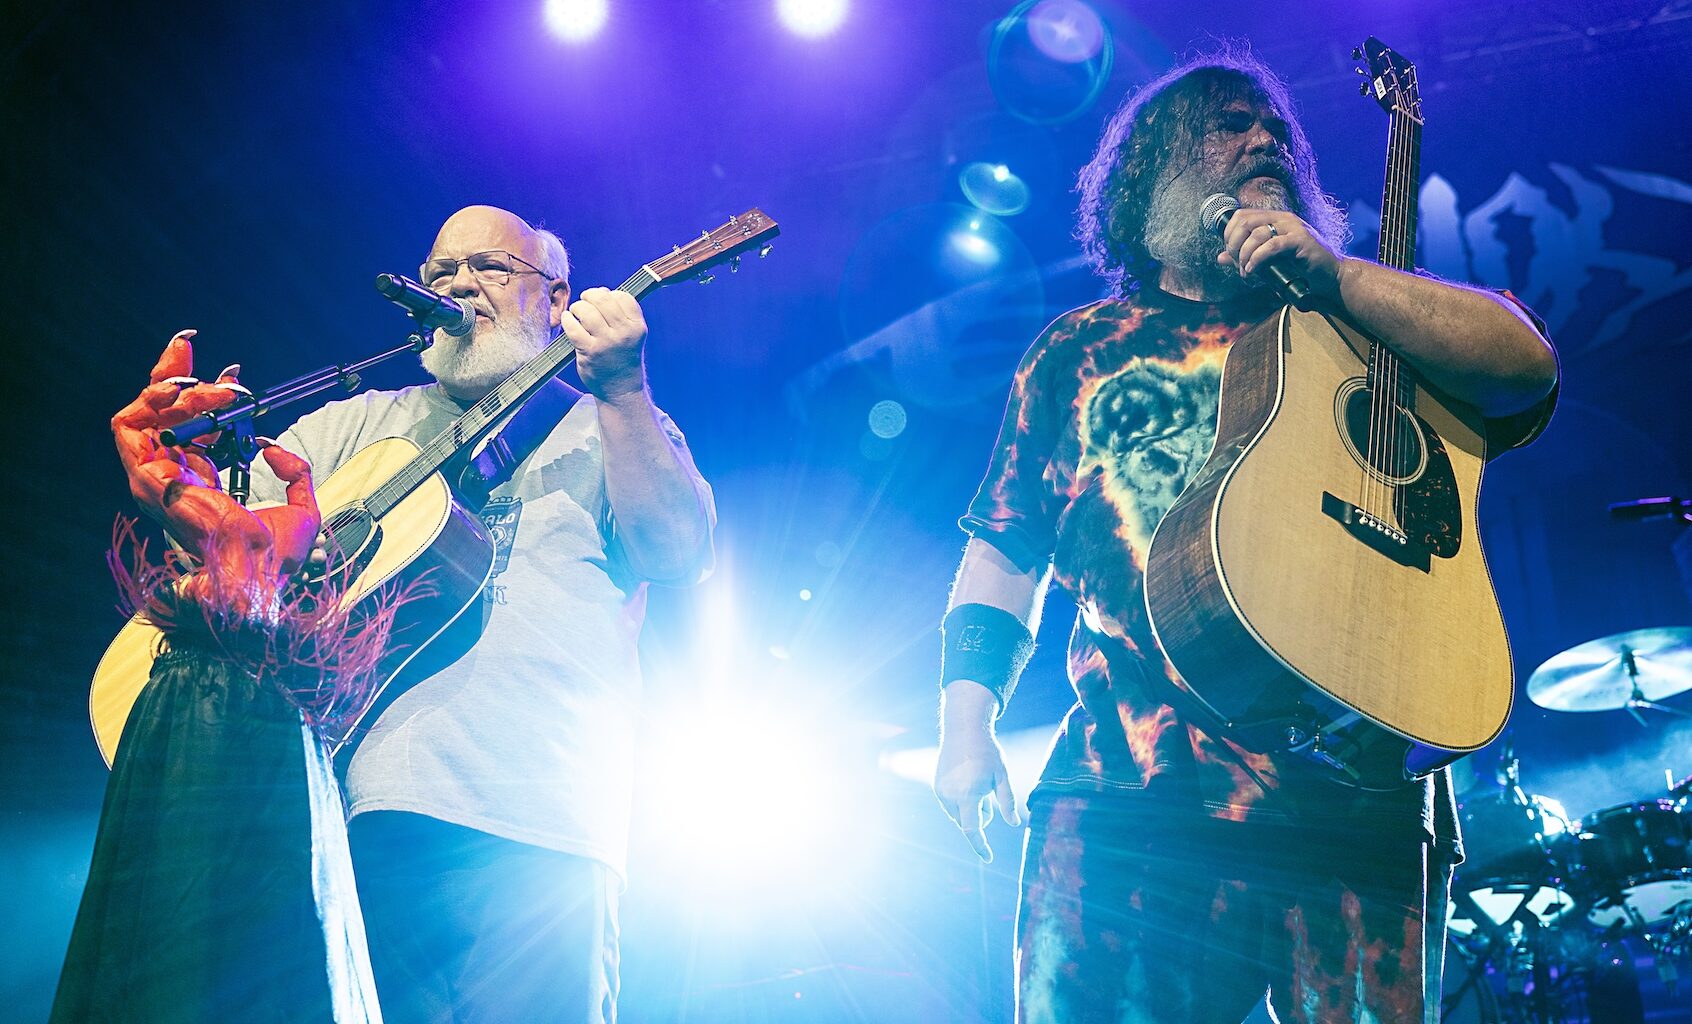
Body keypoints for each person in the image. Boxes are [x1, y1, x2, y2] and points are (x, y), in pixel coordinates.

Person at [931, 50, 1558, 1024]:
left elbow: (1524, 368)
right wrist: (965, 727)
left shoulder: (1364, 327)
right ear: (1150, 179)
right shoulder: (1076, 355)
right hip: (1132, 786)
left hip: (1359, 793)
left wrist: (1337, 275)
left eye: (1277, 130)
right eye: (1229, 124)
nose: (1264, 138)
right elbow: (1006, 549)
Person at [243, 205, 716, 1023]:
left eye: (491, 266)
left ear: (555, 296)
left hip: (547, 824)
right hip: (364, 812)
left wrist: (626, 388)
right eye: (440, 274)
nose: (460, 283)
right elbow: (232, 551)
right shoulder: (344, 428)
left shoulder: (615, 420)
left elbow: (678, 555)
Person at [54, 333, 389, 1023]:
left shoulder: (263, 525)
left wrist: (274, 494)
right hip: (214, 688)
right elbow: (147, 445)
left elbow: (282, 516)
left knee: (282, 909)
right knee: (187, 918)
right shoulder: (220, 511)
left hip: (266, 702)